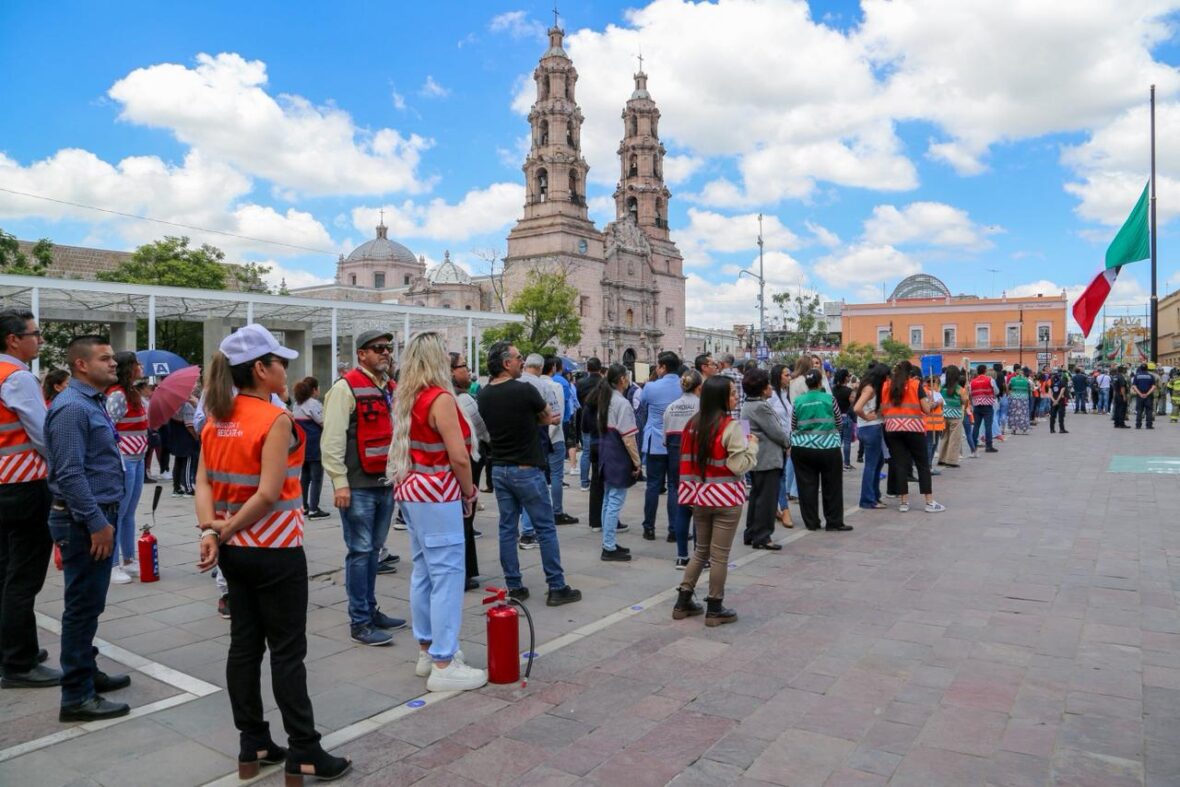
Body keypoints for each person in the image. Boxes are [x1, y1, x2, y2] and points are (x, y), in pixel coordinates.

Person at [195, 324, 350, 783]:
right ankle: (304, 748)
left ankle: (254, 742)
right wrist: (225, 529)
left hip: (235, 553)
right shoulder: (274, 419)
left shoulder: (216, 417)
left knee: (244, 645)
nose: (286, 369)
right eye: (280, 362)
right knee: (287, 652)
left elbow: (203, 482)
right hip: (276, 549)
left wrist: (212, 531)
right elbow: (267, 494)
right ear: (261, 369)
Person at [387, 333, 486, 692]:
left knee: (425, 572)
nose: (449, 360)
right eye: (444, 355)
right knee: (446, 575)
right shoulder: (440, 399)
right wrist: (469, 491)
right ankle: (444, 662)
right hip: (437, 492)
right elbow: (458, 456)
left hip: (412, 489)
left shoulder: (409, 397)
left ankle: (428, 651)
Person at [45, 335, 132, 720]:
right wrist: (97, 523)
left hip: (94, 515)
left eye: (112, 358)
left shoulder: (90, 401)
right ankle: (77, 696)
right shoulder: (72, 408)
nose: (113, 363)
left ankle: (87, 671)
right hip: (83, 520)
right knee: (81, 607)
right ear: (81, 364)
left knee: (89, 604)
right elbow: (69, 473)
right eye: (105, 358)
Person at [477, 342, 581, 607]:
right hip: (526, 469)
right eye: (518, 357)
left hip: (499, 468)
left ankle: (514, 585)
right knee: (545, 528)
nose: (522, 361)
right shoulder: (524, 389)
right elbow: (549, 417)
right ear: (506, 363)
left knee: (507, 528)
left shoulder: (485, 394)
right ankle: (556, 585)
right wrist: (534, 419)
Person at [321, 329, 406, 647]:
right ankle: (360, 622)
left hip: (384, 482)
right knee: (360, 552)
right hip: (358, 486)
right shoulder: (345, 388)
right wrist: (339, 483)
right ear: (361, 354)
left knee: (373, 552)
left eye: (388, 348)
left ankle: (370, 610)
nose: (385, 352)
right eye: (378, 348)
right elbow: (332, 441)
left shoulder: (389, 388)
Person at [0, 310, 57, 690]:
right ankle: (19, 663)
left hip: (4, 487)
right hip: (25, 487)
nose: (39, 340)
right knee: (23, 577)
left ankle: (11, 649)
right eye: (35, 334)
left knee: (5, 572)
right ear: (13, 339)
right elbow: (44, 434)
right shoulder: (17, 377)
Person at [672, 375, 757, 626]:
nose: (736, 396)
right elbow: (739, 466)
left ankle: (683, 601)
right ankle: (715, 607)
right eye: (732, 393)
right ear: (720, 397)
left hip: (700, 496)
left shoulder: (692, 424)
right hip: (726, 498)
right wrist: (752, 446)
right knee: (719, 556)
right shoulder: (733, 426)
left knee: (701, 551)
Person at [105, 352, 148, 585]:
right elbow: (108, 427)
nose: (140, 366)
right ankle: (112, 565)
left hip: (138, 458)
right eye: (136, 364)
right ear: (127, 368)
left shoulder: (132, 393)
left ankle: (129, 559)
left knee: (129, 512)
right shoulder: (117, 395)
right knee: (119, 513)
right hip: (124, 459)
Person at [790, 368, 851, 531]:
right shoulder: (829, 399)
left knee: (806, 487)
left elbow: (793, 425)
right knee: (832, 486)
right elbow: (839, 423)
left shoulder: (798, 401)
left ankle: (811, 523)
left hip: (802, 448)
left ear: (807, 384)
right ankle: (834, 522)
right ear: (819, 382)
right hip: (828, 447)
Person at [882, 360, 944, 513]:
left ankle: (903, 502)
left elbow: (883, 408)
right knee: (922, 464)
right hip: (914, 428)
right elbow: (926, 409)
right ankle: (929, 502)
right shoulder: (916, 385)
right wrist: (932, 403)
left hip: (892, 428)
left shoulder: (887, 385)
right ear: (910, 373)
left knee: (900, 465)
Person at [739, 368, 790, 547]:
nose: (770, 387)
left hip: (755, 456)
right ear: (761, 388)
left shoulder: (747, 405)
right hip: (767, 458)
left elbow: (744, 431)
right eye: (767, 384)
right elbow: (776, 432)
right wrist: (787, 442)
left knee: (756, 496)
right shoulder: (761, 407)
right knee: (767, 499)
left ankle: (751, 532)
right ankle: (763, 536)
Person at [450, 352, 488, 591]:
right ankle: (463, 572)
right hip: (467, 462)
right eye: (464, 366)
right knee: (465, 517)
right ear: (452, 371)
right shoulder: (463, 399)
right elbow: (482, 430)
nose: (468, 371)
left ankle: (464, 571)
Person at [595, 364, 639, 561]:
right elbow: (629, 438)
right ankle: (609, 546)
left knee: (608, 500)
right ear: (622, 379)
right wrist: (637, 461)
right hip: (618, 455)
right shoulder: (622, 403)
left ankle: (608, 541)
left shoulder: (606, 399)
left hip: (607, 453)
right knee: (614, 501)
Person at [637, 351, 682, 542]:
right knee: (674, 486)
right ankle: (674, 530)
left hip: (655, 440)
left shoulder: (651, 387)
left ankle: (649, 528)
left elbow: (642, 405)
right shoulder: (684, 386)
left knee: (653, 485)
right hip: (677, 441)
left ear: (663, 367)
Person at [663, 370, 701, 568]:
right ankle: (700, 555)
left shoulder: (670, 408)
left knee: (681, 504)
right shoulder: (701, 406)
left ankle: (682, 555)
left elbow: (665, 439)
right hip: (696, 460)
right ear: (699, 387)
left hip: (676, 458)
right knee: (699, 507)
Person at [291, 378, 329, 519]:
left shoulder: (296, 405)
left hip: (302, 446)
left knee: (305, 477)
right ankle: (314, 509)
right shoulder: (313, 404)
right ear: (314, 389)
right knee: (316, 478)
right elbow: (323, 422)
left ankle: (304, 507)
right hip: (315, 445)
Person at [853, 363, 888, 508]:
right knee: (871, 465)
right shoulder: (869, 389)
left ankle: (874, 495)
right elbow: (857, 408)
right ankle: (868, 499)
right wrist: (867, 417)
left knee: (878, 462)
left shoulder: (868, 387)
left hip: (869, 428)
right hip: (870, 429)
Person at [767, 363, 794, 527]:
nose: (789, 378)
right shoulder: (770, 396)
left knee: (780, 476)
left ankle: (778, 508)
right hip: (771, 443)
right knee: (778, 476)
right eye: (786, 375)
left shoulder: (785, 394)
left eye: (789, 375)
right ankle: (784, 509)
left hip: (785, 440)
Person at [575, 358, 604, 491]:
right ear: (600, 368)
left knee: (586, 451)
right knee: (601, 449)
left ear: (587, 368)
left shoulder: (580, 383)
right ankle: (599, 479)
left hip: (585, 418)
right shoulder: (604, 383)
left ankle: (584, 482)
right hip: (601, 420)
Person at [936, 365, 965, 467]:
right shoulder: (959, 389)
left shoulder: (942, 388)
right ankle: (951, 460)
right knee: (954, 439)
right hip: (956, 416)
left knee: (944, 437)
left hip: (944, 415)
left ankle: (942, 458)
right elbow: (964, 401)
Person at [968, 364, 999, 453]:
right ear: (985, 371)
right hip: (987, 405)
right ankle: (988, 446)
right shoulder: (990, 380)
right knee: (988, 426)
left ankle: (974, 445)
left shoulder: (972, 382)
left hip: (977, 406)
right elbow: (996, 391)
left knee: (976, 426)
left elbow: (970, 393)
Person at [832, 369, 855, 470]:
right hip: (846, 417)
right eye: (848, 376)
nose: (849, 377)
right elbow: (853, 403)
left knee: (837, 442)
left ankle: (836, 463)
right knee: (847, 442)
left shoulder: (832, 390)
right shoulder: (849, 391)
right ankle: (846, 463)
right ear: (845, 378)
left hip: (835, 417)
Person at [924, 375, 945, 473]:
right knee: (929, 445)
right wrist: (937, 402)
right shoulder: (926, 392)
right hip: (929, 424)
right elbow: (927, 407)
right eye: (937, 383)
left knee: (934, 445)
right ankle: (928, 467)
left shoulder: (936, 393)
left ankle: (930, 465)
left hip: (937, 425)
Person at [717, 353, 744, 418]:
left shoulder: (717, 378)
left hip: (725, 417)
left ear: (722, 364)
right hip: (742, 415)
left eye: (718, 363)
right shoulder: (742, 377)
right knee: (745, 425)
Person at [1006, 366, 1031, 434]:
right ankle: (1024, 429)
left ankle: (1014, 429)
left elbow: (1008, 387)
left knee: (1014, 413)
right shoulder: (1026, 380)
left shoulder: (1012, 379)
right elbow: (1031, 387)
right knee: (1024, 413)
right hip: (1024, 398)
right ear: (1023, 373)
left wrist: (1009, 394)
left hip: (1014, 398)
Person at [1132, 363, 1157, 429]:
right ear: (1147, 368)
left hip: (1139, 396)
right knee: (1149, 411)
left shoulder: (1137, 376)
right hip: (1148, 396)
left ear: (1140, 368)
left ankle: (1138, 425)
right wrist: (1147, 394)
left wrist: (1140, 394)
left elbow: (1134, 386)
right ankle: (1149, 425)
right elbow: (1153, 387)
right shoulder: (1151, 376)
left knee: (1139, 410)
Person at [1049, 368, 1070, 434]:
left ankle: (1052, 429)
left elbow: (1050, 393)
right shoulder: (1062, 382)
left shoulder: (1052, 382)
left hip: (1053, 400)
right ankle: (1061, 429)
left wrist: (1054, 400)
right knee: (1061, 415)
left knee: (1052, 415)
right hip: (1060, 400)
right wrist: (1057, 400)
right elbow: (1062, 392)